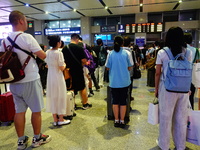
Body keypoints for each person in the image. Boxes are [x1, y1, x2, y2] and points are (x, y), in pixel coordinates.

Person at [0, 10, 51, 149]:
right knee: (36, 110)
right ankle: (37, 138)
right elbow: (42, 56)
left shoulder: (4, 40)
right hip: (30, 79)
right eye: (26, 19)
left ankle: (21, 141)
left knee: (19, 111)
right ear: (21, 21)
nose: (27, 22)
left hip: (13, 81)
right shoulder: (27, 37)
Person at [155, 26, 191, 150]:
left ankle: (164, 145)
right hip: (184, 89)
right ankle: (180, 146)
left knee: (166, 117)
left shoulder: (162, 52)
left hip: (167, 88)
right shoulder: (188, 52)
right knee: (181, 119)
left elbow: (157, 73)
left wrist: (156, 90)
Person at [105, 36, 133, 128]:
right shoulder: (127, 53)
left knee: (115, 101)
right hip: (125, 81)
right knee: (123, 101)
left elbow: (107, 67)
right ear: (122, 43)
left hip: (114, 81)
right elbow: (130, 67)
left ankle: (116, 120)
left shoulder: (110, 54)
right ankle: (122, 120)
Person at [45, 35, 70, 126]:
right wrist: (65, 65)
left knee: (53, 97)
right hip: (58, 77)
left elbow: (47, 65)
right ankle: (61, 119)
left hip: (50, 77)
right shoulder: (59, 53)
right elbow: (61, 67)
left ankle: (55, 119)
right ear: (58, 43)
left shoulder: (47, 52)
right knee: (60, 96)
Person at [62, 33, 92, 109]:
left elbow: (63, 61)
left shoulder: (65, 48)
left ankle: (73, 104)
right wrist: (84, 63)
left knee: (71, 87)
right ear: (77, 39)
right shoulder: (79, 48)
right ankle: (85, 103)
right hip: (78, 70)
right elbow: (84, 60)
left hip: (68, 71)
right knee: (82, 87)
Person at [184, 33, 197, 110]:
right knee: (191, 97)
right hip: (192, 77)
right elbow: (197, 63)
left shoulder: (181, 49)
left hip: (181, 76)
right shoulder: (195, 50)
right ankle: (191, 115)